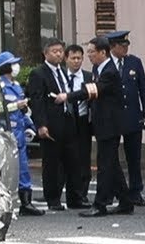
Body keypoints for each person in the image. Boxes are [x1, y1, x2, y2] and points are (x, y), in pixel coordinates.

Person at [54, 36, 132, 217]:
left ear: (102, 52)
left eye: (91, 52)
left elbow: (92, 90)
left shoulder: (110, 71)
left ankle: (100, 204)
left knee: (104, 165)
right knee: (111, 163)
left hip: (110, 125)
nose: (88, 55)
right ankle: (125, 201)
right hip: (103, 124)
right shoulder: (100, 68)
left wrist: (68, 96)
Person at [27, 38, 81, 210]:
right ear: (45, 53)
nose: (58, 54)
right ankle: (53, 199)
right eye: (54, 51)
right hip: (51, 123)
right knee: (52, 163)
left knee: (72, 161)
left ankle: (75, 198)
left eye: (60, 51)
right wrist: (41, 124)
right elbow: (37, 101)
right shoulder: (38, 73)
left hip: (67, 120)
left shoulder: (63, 71)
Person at [0, 51, 44, 216]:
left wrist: (32, 126)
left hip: (19, 132)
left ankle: (26, 203)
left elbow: (24, 111)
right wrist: (15, 106)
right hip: (7, 134)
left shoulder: (17, 85)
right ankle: (4, 205)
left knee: (24, 169)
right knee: (7, 171)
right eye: (13, 64)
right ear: (6, 67)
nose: (16, 67)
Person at [107, 31, 145, 206]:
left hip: (133, 116)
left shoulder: (134, 62)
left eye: (127, 45)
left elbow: (143, 88)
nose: (125, 49)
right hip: (114, 117)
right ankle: (111, 190)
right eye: (122, 46)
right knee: (110, 156)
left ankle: (135, 191)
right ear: (113, 47)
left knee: (134, 157)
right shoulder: (105, 63)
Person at [63, 44, 94, 208]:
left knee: (84, 158)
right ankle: (71, 194)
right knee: (69, 158)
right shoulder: (61, 76)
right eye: (73, 58)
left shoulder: (89, 77)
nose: (76, 61)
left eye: (79, 58)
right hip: (66, 121)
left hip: (83, 121)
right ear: (66, 59)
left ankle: (82, 194)